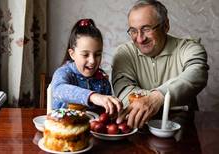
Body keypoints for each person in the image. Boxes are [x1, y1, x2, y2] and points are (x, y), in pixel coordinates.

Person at [112, 0, 209, 128]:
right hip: (140, 127)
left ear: (165, 26)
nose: (140, 39)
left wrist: (158, 97)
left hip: (183, 129)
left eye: (146, 29)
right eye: (134, 31)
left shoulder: (190, 48)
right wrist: (160, 101)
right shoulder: (123, 53)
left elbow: (197, 74)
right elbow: (124, 90)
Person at [51, 18, 123, 115]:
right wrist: (93, 96)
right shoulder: (63, 72)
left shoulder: (102, 79)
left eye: (97, 54)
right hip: (63, 127)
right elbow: (58, 89)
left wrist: (113, 109)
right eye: (85, 55)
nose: (92, 61)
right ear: (72, 54)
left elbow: (105, 113)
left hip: (92, 129)